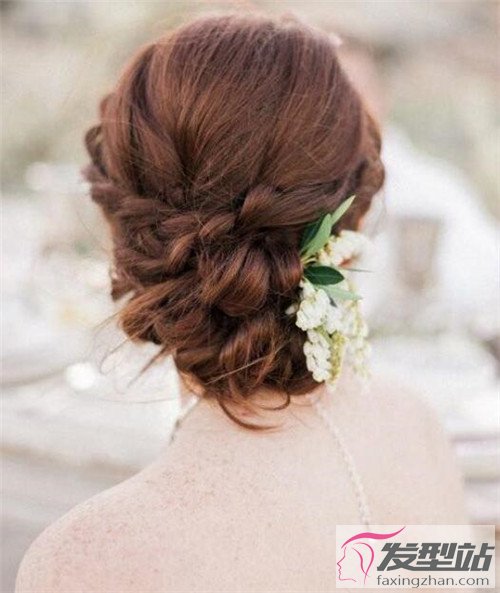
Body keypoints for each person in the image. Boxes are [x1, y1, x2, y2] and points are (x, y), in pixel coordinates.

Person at [16, 14, 467, 593]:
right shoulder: (416, 434)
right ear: (350, 219)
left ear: (119, 227)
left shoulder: (85, 562)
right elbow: (413, 577)